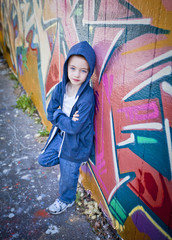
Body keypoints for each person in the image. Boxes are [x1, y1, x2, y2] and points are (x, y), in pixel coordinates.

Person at [38, 41, 96, 214]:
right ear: (66, 67)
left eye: (83, 70)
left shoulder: (87, 97)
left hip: (75, 143)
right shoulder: (60, 88)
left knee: (67, 175)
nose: (77, 74)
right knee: (43, 160)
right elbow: (50, 113)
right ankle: (69, 169)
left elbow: (75, 128)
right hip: (60, 136)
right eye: (73, 68)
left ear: (89, 71)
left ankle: (66, 199)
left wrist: (59, 115)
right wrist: (64, 117)